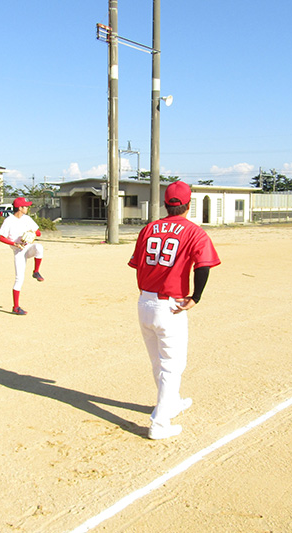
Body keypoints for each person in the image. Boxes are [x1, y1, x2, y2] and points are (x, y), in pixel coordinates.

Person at [128, 181, 221, 440]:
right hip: (170, 305)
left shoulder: (149, 229)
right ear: (188, 204)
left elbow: (138, 264)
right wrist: (196, 297)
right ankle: (160, 423)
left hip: (145, 302)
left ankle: (171, 402)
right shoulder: (194, 231)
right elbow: (203, 266)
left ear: (166, 204)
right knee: (173, 364)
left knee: (158, 361)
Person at [0, 197, 44, 315]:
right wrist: (14, 244)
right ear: (20, 208)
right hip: (18, 251)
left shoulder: (27, 219)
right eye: (26, 206)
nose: (27, 208)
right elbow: (2, 238)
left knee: (39, 247)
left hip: (28, 247)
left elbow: (38, 232)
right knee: (19, 279)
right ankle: (16, 307)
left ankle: (36, 271)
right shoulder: (9, 220)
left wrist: (31, 232)